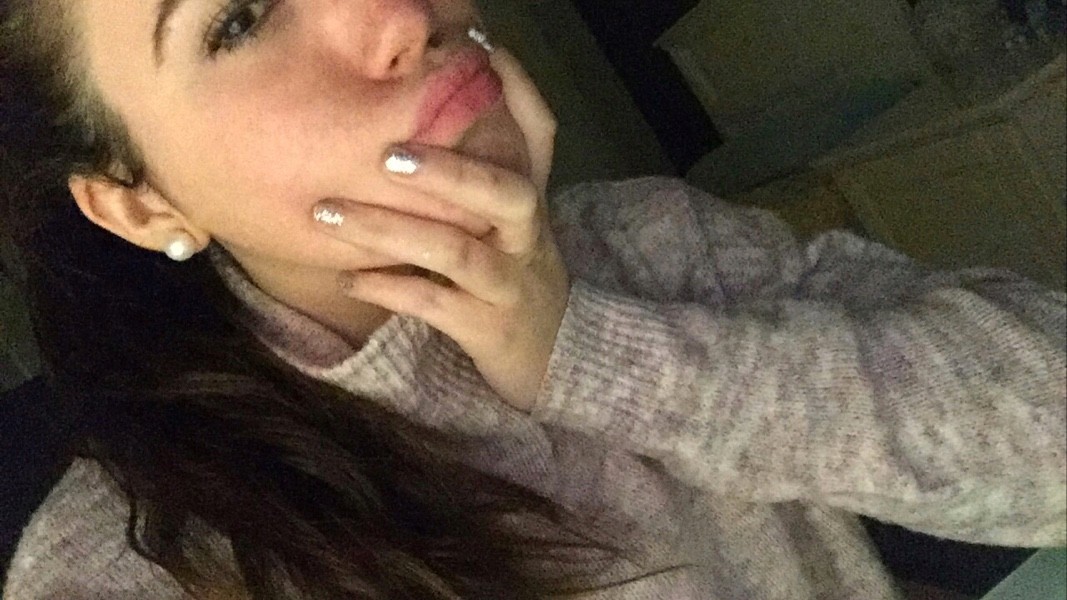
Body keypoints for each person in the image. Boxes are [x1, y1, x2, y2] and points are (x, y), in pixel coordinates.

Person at [1, 0, 1064, 598]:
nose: (396, 12)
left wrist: (591, 355)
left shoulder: (648, 247)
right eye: (236, 20)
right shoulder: (132, 571)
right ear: (139, 204)